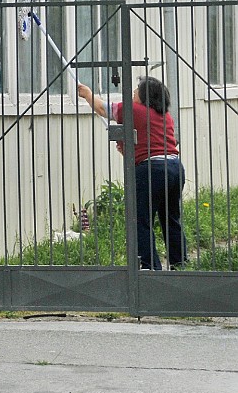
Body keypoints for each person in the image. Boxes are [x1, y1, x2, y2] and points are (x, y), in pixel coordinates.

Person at [77, 77, 187, 271]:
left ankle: (149, 267)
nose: (133, 92)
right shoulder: (164, 115)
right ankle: (180, 263)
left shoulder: (135, 110)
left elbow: (104, 109)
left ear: (145, 97)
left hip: (152, 171)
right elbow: (150, 141)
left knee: (141, 220)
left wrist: (87, 93)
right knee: (171, 218)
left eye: (137, 89)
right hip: (174, 168)